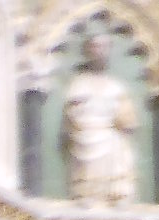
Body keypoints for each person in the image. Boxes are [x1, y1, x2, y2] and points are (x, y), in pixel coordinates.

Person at [62, 33, 138, 205]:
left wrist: (122, 119)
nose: (100, 51)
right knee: (87, 149)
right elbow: (71, 115)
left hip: (110, 134)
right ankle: (86, 194)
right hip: (86, 134)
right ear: (87, 50)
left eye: (104, 46)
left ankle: (116, 195)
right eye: (96, 46)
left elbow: (128, 118)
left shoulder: (116, 86)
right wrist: (82, 122)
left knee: (117, 144)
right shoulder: (79, 84)